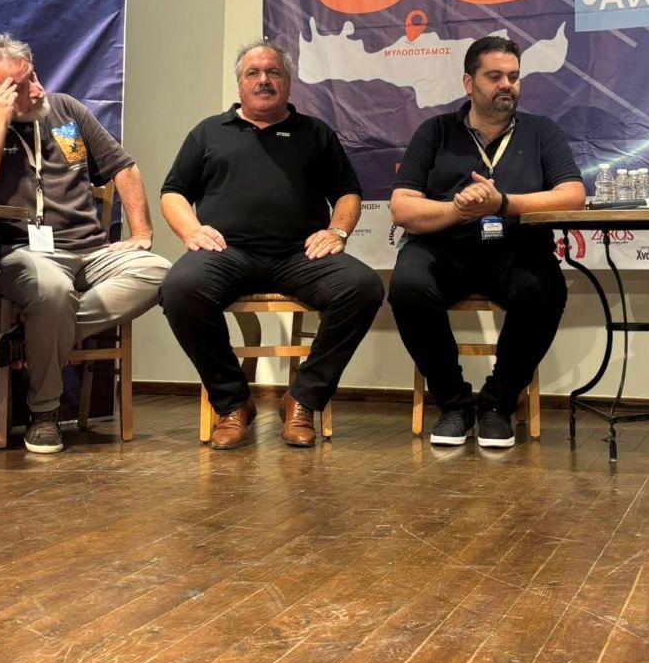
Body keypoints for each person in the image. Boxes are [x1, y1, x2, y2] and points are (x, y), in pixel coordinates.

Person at [0, 33, 170, 454]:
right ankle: (44, 414)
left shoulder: (66, 110)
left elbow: (124, 167)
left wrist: (141, 234)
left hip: (90, 252)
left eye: (33, 77)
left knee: (160, 273)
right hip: (14, 255)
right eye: (19, 87)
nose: (37, 89)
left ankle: (31, 339)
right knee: (52, 288)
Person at [160, 38, 383, 449]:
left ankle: (303, 399)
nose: (264, 80)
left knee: (363, 287)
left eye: (273, 72)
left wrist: (337, 232)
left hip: (300, 255)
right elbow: (174, 191)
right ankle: (233, 403)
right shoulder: (208, 132)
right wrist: (190, 230)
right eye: (254, 73)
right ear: (240, 83)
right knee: (179, 289)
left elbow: (348, 192)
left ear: (288, 82)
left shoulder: (315, 133)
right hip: (227, 253)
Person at [388, 35, 586, 449]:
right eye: (495, 76)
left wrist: (503, 203)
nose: (507, 85)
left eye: (514, 76)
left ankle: (498, 405)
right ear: (469, 82)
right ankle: (454, 405)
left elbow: (572, 196)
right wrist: (457, 210)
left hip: (516, 250)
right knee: (407, 286)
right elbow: (402, 207)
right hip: (444, 249)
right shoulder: (435, 131)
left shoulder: (541, 131)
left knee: (545, 289)